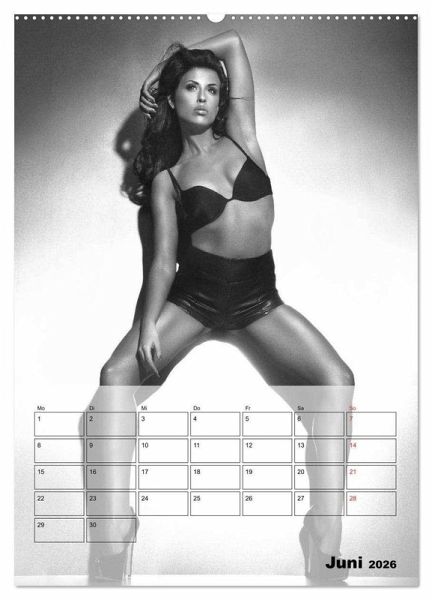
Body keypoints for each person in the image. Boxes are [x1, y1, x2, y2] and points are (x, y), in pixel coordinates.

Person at [93, 29, 355, 584]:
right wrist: (147, 325)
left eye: (213, 89)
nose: (204, 97)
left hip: (258, 297)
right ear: (173, 100)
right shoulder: (167, 179)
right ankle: (116, 527)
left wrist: (163, 67)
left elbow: (232, 41)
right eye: (191, 87)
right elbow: (162, 263)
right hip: (197, 296)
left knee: (337, 380)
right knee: (115, 376)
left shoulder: (244, 139)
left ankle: (324, 532)